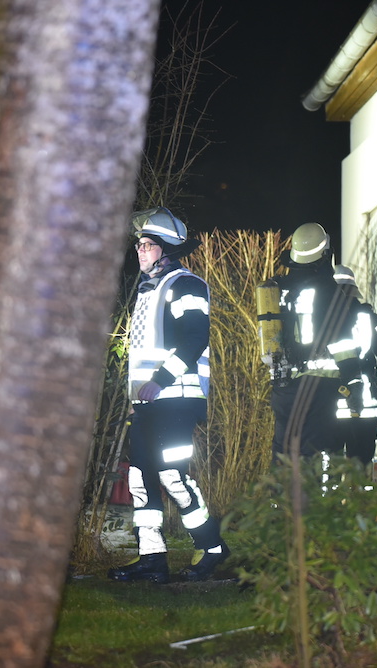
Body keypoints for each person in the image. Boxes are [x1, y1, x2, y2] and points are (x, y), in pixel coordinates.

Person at [108, 207, 228, 584]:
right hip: (149, 403)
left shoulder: (185, 285)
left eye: (148, 245)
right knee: (141, 477)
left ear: (167, 250)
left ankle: (212, 547)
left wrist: (159, 381)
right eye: (139, 245)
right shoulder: (149, 290)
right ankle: (152, 558)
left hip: (177, 398)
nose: (140, 251)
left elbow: (194, 339)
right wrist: (138, 398)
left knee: (173, 475)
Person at [258, 223, 364, 461]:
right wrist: (354, 380)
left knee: (284, 453)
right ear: (325, 253)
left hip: (283, 386)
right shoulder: (328, 290)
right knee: (314, 457)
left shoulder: (279, 287)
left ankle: (282, 486)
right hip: (318, 388)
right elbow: (341, 339)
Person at [331, 264, 377, 466]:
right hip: (365, 409)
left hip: (329, 409)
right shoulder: (369, 318)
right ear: (353, 289)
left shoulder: (321, 321)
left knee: (329, 470)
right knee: (360, 469)